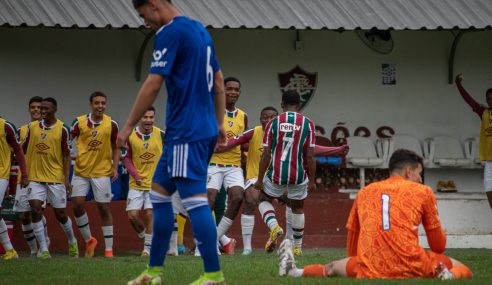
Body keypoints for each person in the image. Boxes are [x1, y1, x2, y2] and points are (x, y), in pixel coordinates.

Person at [119, 0, 226, 284]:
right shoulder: (201, 30)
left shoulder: (169, 33)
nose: (145, 22)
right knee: (159, 195)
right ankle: (154, 272)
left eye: (143, 15)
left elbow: (153, 84)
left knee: (195, 201)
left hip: (185, 133)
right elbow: (218, 79)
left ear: (154, 5)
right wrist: (220, 123)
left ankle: (213, 274)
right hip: (200, 129)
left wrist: (128, 125)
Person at [278, 149, 473, 280]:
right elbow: (439, 246)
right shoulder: (423, 192)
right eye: (419, 173)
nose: (420, 179)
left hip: (371, 266)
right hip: (413, 263)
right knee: (463, 268)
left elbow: (352, 249)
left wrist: (361, 263)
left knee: (331, 267)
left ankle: (294, 271)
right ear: (408, 171)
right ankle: (448, 275)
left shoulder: (365, 191)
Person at [217, 107, 349, 255]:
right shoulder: (254, 132)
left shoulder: (281, 134)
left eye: (272, 117)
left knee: (290, 200)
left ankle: (287, 237)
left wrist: (336, 150)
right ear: (260, 119)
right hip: (257, 177)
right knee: (253, 198)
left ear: (278, 118)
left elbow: (312, 149)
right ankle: (248, 248)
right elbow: (235, 142)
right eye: (265, 117)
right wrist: (213, 147)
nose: (268, 120)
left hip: (276, 177)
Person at [254, 90, 316, 256]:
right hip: (298, 174)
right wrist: (312, 181)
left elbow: (266, 154)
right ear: (299, 105)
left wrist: (260, 179)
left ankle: (274, 226)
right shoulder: (308, 124)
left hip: (277, 173)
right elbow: (310, 156)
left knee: (263, 199)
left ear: (282, 104)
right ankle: (297, 248)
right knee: (298, 208)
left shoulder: (273, 123)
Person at [23, 97, 78, 259]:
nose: (42, 111)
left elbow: (67, 155)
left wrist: (67, 179)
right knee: (35, 209)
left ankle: (72, 241)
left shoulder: (63, 129)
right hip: (35, 177)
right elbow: (22, 149)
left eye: (46, 109)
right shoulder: (32, 128)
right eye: (41, 109)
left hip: (55, 178)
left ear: (55, 110)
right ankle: (44, 250)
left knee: (60, 214)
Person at [71, 91, 120, 258]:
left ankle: (108, 249)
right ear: (91, 104)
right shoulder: (78, 123)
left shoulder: (111, 124)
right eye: (97, 103)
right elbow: (66, 143)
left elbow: (116, 146)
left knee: (103, 207)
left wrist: (115, 167)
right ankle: (89, 240)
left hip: (101, 172)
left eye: (103, 103)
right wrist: (69, 154)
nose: (100, 106)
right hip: (81, 171)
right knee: (77, 205)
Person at [206, 76, 248, 255]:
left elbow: (244, 141)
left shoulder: (243, 116)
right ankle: (219, 242)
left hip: (233, 165)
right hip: (213, 164)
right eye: (229, 88)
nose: (233, 92)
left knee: (238, 197)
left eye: (236, 89)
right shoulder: (211, 111)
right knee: (209, 200)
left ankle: (215, 238)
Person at [123, 106, 165, 257]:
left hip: (155, 183)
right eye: (145, 117)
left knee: (150, 213)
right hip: (136, 183)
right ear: (140, 117)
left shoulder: (161, 135)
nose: (148, 120)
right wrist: (136, 175)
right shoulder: (130, 136)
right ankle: (149, 240)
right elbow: (126, 158)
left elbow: (169, 155)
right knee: (132, 216)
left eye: (151, 117)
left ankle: (147, 248)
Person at [13, 96, 51, 256]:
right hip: (24, 178)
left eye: (39, 107)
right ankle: (33, 249)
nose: (36, 110)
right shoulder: (22, 130)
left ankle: (44, 244)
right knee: (24, 215)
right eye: (33, 107)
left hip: (41, 178)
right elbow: (14, 153)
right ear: (29, 109)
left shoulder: (49, 129)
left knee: (36, 210)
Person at [455, 73, 492, 208]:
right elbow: (469, 100)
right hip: (489, 159)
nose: (490, 101)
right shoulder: (484, 112)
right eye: (488, 99)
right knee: (488, 189)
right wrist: (458, 85)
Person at [0, 116, 28, 260]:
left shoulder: (6, 126)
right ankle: (10, 251)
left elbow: (18, 151)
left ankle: (10, 250)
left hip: (1, 174)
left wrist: (24, 173)